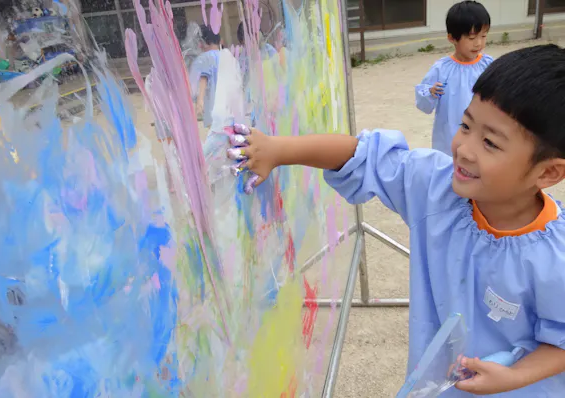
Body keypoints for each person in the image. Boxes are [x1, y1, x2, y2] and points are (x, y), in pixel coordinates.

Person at [227, 44, 565, 396]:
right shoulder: (434, 187)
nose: (464, 148)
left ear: (548, 172)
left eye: (490, 143)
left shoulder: (555, 258)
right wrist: (278, 150)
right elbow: (361, 155)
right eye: (466, 125)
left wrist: (513, 377)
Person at [416, 1, 493, 156]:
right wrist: (430, 92)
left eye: (483, 36)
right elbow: (424, 104)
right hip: (448, 137)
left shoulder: (489, 65)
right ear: (452, 38)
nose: (478, 43)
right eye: (471, 38)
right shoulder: (441, 69)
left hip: (482, 134)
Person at [189, 24, 221, 129]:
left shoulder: (203, 58)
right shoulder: (227, 56)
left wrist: (200, 101)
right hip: (230, 110)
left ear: (204, 42)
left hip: (213, 110)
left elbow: (203, 78)